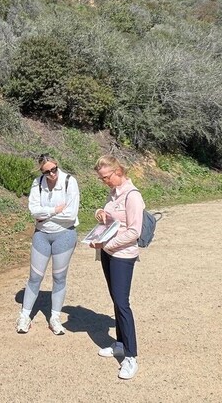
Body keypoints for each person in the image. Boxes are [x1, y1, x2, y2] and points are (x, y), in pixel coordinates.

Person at [90, 155, 144, 380]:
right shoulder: (114, 193)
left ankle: (131, 356)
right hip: (108, 253)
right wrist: (100, 214)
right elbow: (111, 219)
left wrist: (107, 244)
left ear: (118, 172)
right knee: (115, 299)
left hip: (123, 255)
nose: (104, 182)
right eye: (101, 179)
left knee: (123, 304)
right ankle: (120, 343)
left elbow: (134, 232)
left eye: (106, 178)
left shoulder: (133, 196)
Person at [16, 154, 80, 335]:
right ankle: (24, 315)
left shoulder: (69, 181)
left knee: (59, 278)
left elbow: (71, 214)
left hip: (65, 235)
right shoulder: (38, 183)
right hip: (42, 234)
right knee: (34, 277)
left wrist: (45, 215)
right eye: (47, 171)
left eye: (54, 169)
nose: (52, 174)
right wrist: (53, 210)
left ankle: (55, 317)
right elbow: (33, 211)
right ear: (41, 172)